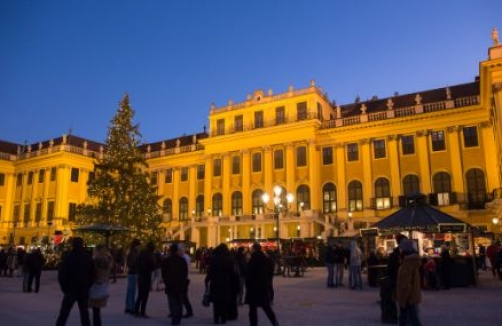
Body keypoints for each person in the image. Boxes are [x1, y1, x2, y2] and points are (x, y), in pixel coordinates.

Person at [55, 237, 95, 326]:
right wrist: (88, 285)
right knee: (84, 315)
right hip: (83, 289)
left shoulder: (69, 257)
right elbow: (93, 274)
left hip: (71, 289)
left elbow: (62, 274)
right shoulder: (87, 257)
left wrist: (64, 287)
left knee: (64, 314)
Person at [245, 242, 278, 326]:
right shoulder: (265, 259)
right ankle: (274, 321)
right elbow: (270, 271)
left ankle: (253, 324)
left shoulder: (252, 260)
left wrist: (248, 284)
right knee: (266, 307)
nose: (251, 250)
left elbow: (249, 274)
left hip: (253, 287)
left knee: (252, 309)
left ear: (254, 249)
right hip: (263, 286)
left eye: (252, 248)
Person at [205, 243, 239, 324]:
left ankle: (216, 318)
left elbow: (210, 271)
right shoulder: (230, 259)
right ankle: (223, 318)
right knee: (224, 301)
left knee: (216, 302)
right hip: (226, 283)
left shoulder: (214, 258)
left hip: (215, 283)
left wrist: (207, 280)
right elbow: (233, 273)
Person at [396, 239, 422, 326]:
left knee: (409, 318)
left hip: (407, 298)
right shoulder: (413, 262)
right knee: (411, 317)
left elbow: (405, 285)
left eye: (401, 249)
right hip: (413, 295)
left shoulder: (406, 265)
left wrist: (403, 299)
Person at [161, 243, 188, 326]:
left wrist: (166, 282)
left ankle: (174, 317)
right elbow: (185, 272)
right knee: (179, 302)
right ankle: (178, 317)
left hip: (170, 284)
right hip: (180, 284)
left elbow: (164, 273)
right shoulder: (182, 260)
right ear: (176, 250)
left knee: (172, 302)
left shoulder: (166, 260)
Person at [88, 244, 112, 326]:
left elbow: (92, 273)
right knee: (97, 311)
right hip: (103, 286)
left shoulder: (95, 260)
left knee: (95, 311)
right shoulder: (107, 260)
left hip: (95, 285)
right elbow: (107, 273)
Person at [134, 241, 156, 318]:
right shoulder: (150, 255)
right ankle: (142, 312)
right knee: (145, 296)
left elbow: (136, 263)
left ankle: (136, 311)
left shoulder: (141, 254)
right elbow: (153, 266)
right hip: (146, 276)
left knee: (140, 295)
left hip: (140, 276)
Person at [124, 239, 141, 314]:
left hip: (131, 272)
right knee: (132, 291)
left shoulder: (130, 251)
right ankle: (132, 308)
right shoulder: (134, 252)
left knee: (129, 291)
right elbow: (133, 263)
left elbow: (128, 263)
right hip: (134, 273)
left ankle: (128, 307)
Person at [178, 243, 193, 318]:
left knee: (183, 296)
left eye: (179, 250)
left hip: (184, 279)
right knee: (183, 296)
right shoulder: (185, 257)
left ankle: (189, 311)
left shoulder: (184, 258)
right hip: (185, 278)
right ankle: (188, 311)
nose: (178, 252)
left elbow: (185, 269)